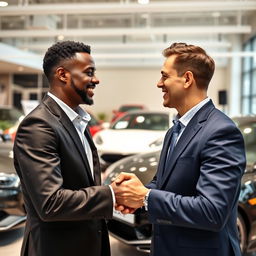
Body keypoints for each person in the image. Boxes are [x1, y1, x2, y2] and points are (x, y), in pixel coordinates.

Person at [112, 42, 246, 256]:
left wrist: (146, 197)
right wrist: (133, 195)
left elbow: (212, 211)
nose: (159, 83)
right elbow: (164, 184)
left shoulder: (221, 131)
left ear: (187, 79)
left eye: (165, 76)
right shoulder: (175, 129)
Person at [13, 41, 115, 256]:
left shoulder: (78, 121)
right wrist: (113, 196)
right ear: (62, 75)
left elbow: (80, 179)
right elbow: (51, 203)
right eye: (89, 72)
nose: (96, 79)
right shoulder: (39, 125)